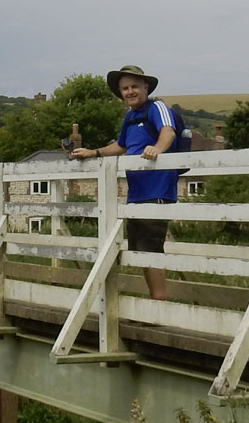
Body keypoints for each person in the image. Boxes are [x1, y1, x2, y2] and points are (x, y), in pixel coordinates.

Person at [70, 64, 177, 300]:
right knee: (140, 249)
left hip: (157, 190)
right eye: (125, 88)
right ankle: (155, 300)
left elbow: (168, 132)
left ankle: (159, 303)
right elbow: (121, 146)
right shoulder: (130, 117)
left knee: (151, 248)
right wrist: (94, 152)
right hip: (136, 193)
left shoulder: (157, 107)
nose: (129, 92)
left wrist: (156, 149)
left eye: (134, 87)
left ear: (145, 87)